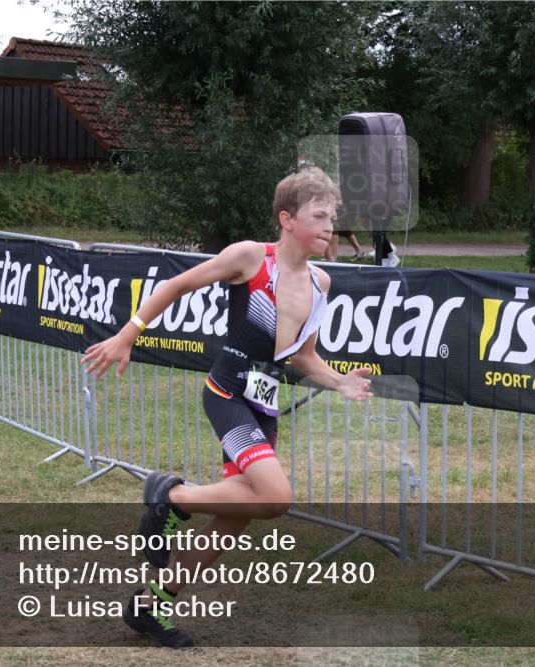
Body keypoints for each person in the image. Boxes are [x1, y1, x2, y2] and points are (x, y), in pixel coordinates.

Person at [80, 167, 373, 648]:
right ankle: (171, 496)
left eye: (333, 216)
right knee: (276, 498)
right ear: (286, 218)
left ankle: (151, 606)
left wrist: (340, 382)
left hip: (264, 404)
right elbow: (176, 286)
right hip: (227, 394)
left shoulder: (322, 283)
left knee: (238, 517)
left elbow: (302, 356)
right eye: (319, 215)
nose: (330, 225)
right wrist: (127, 334)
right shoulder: (251, 258)